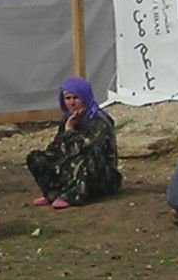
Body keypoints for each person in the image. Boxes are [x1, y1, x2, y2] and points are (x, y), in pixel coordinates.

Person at [25, 76, 121, 209]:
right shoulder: (68, 119)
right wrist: (65, 132)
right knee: (36, 158)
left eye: (76, 98)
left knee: (84, 154)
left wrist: (70, 132)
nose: (72, 103)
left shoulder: (99, 121)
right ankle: (53, 193)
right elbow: (56, 149)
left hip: (101, 176)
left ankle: (73, 196)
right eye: (67, 98)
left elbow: (86, 147)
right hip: (75, 172)